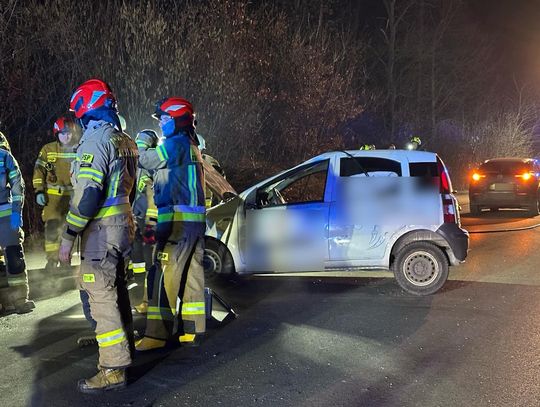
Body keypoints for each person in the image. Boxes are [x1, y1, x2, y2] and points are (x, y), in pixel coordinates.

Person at [58, 79, 138, 393]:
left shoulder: (95, 139)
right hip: (122, 225)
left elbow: (89, 194)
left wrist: (68, 235)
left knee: (101, 297)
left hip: (101, 230)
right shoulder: (124, 139)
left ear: (85, 106)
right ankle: (122, 349)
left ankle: (112, 369)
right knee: (116, 290)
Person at [135, 97, 206, 351]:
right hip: (193, 223)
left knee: (163, 276)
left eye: (165, 119)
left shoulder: (175, 144)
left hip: (177, 223)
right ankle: (191, 329)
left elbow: (148, 161)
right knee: (191, 276)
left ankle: (156, 335)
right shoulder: (190, 144)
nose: (162, 124)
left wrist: (141, 145)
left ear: (177, 120)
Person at [32, 116, 79, 271]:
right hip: (53, 199)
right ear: (56, 133)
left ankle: (65, 260)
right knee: (52, 229)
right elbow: (39, 171)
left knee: (69, 230)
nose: (67, 136)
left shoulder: (79, 148)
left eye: (69, 133)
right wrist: (39, 191)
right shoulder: (48, 149)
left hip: (74, 198)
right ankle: (52, 260)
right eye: (63, 133)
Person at [0, 131, 34, 314]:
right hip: (7, 217)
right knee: (14, 259)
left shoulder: (4, 157)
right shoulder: (5, 156)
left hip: (6, 217)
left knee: (13, 258)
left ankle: (16, 301)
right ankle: (19, 300)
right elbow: (17, 188)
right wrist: (15, 217)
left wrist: (15, 218)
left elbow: (17, 187)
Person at [130, 129, 159, 315]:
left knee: (140, 260)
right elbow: (153, 196)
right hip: (144, 219)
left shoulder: (131, 159)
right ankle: (145, 298)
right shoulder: (152, 161)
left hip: (136, 217)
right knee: (147, 261)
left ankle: (145, 298)